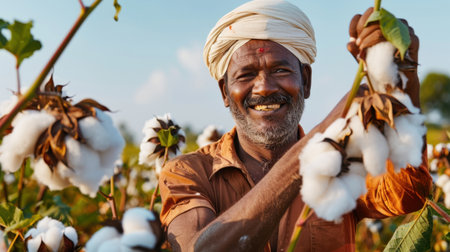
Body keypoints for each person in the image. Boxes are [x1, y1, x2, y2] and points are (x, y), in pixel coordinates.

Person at [159, 0, 432, 251]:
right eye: (246, 74)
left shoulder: (348, 164)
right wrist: (317, 143)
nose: (264, 88)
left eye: (280, 70)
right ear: (224, 93)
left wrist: (400, 79)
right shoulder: (188, 173)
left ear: (306, 81)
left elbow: (408, 193)